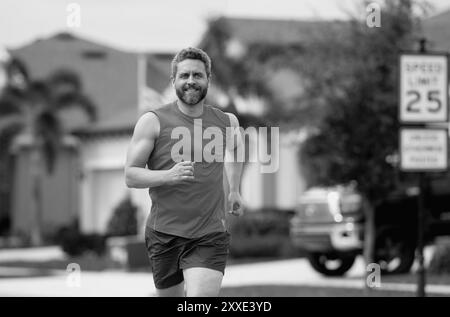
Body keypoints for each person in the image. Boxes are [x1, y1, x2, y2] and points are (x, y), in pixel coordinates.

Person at [125, 47, 244, 297]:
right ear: (174, 81)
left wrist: (234, 190)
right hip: (164, 233)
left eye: (198, 76)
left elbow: (237, 150)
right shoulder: (153, 121)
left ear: (208, 80)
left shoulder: (226, 122)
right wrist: (168, 175)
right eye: (185, 75)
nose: (191, 81)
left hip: (209, 234)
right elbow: (131, 175)